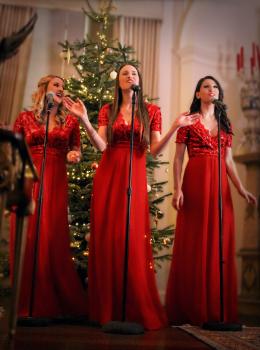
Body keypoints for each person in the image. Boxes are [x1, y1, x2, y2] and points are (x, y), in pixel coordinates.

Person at [63, 63, 199, 330]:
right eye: (125, 73)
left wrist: (174, 126)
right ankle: (108, 307)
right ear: (119, 81)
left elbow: (156, 150)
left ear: (139, 80)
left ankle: (132, 306)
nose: (129, 76)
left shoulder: (151, 111)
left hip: (134, 176)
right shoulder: (108, 110)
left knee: (131, 236)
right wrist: (85, 121)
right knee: (109, 236)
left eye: (134, 73)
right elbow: (102, 145)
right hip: (109, 174)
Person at [165, 75, 257, 326]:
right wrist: (177, 189)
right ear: (198, 94)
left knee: (219, 241)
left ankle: (215, 309)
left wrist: (241, 189)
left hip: (219, 187)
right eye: (206, 87)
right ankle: (190, 307)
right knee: (195, 241)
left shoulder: (224, 123)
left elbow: (228, 161)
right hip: (194, 183)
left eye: (215, 86)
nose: (211, 90)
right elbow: (177, 159)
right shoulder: (188, 121)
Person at [10, 75, 88, 318]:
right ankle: (26, 301)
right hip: (30, 177)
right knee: (30, 234)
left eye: (63, 87)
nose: (61, 89)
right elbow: (14, 151)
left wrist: (73, 155)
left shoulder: (70, 122)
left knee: (50, 233)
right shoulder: (25, 118)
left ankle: (50, 302)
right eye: (56, 85)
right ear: (44, 89)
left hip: (56, 179)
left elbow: (76, 149)